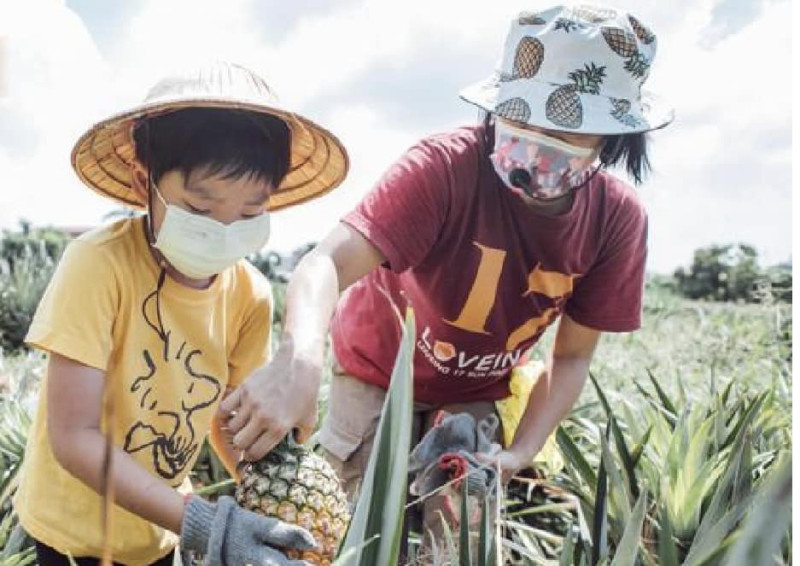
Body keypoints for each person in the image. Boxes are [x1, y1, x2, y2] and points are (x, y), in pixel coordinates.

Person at [221, 1, 673, 543]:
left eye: (568, 130)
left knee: (460, 541)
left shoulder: (616, 221)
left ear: (614, 138)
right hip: (376, 372)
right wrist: (298, 361)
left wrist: (522, 451)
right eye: (522, 116)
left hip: (475, 390)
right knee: (346, 530)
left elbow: (572, 355)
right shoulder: (443, 169)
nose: (537, 138)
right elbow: (326, 263)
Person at [13, 61, 348, 566]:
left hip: (160, 530)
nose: (225, 228)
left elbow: (229, 422)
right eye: (200, 206)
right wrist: (205, 522)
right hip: (71, 533)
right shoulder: (97, 264)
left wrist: (275, 494)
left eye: (251, 212)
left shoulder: (251, 294)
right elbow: (73, 436)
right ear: (143, 178)